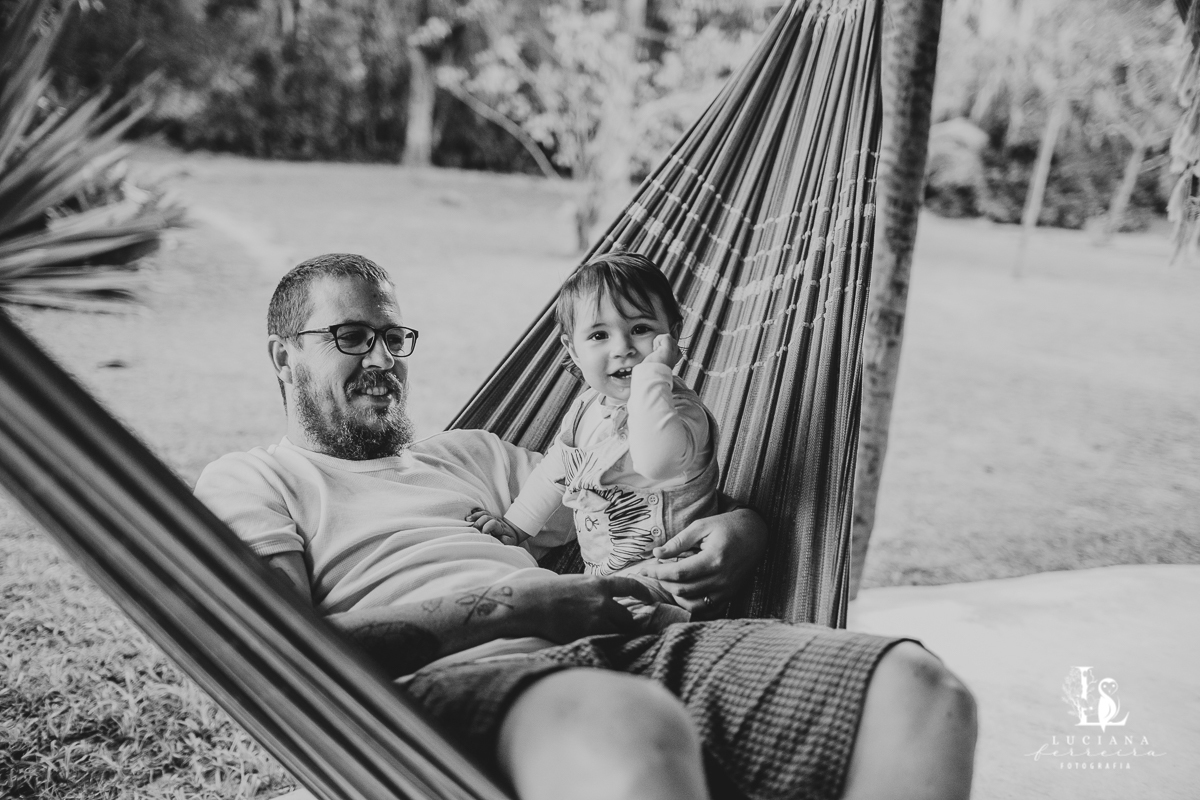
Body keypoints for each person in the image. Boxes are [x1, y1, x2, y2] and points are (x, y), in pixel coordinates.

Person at [195, 253, 978, 800]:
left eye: (393, 337)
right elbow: (274, 654)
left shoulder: (474, 455)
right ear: (282, 357)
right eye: (349, 337)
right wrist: (517, 607)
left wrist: (745, 529)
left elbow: (623, 484)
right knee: (625, 722)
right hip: (448, 690)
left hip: (634, 647)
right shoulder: (255, 479)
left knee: (920, 692)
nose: (383, 358)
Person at [467, 253, 718, 627]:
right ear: (573, 350)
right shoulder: (587, 406)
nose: (623, 348)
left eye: (641, 329)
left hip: (671, 575)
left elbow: (656, 462)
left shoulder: (682, 413)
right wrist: (516, 527)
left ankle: (670, 628)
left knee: (607, 620)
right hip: (604, 576)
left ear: (672, 334)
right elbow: (558, 467)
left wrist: (654, 375)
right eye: (599, 335)